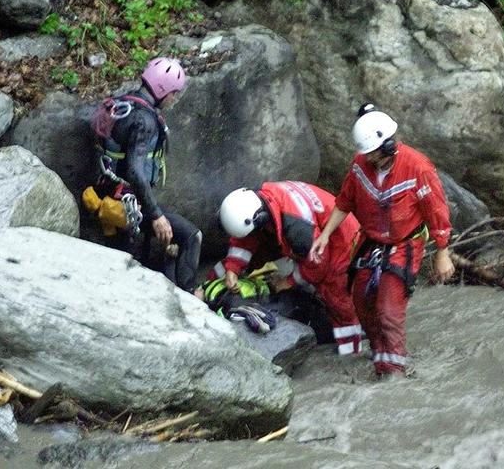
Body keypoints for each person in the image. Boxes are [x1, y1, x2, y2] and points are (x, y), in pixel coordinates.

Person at [310, 103, 454, 378]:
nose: (372, 160)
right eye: (368, 155)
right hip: (372, 241)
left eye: (376, 154)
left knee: (388, 308)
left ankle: (394, 371)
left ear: (389, 145)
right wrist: (325, 235)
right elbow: (345, 202)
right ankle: (382, 357)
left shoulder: (417, 168)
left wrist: (442, 252)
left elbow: (436, 211)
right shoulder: (360, 165)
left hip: (405, 244)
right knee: (362, 301)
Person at [211, 181, 363, 355]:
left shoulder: (296, 228)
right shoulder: (257, 203)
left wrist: (287, 282)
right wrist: (233, 268)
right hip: (316, 231)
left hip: (342, 241)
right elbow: (244, 239)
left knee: (338, 298)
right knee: (258, 253)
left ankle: (351, 350)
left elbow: (318, 265)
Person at [92, 57, 201, 293]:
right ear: (162, 90)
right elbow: (134, 170)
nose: (174, 99)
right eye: (174, 93)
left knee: (134, 262)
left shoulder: (120, 104)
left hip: (108, 200)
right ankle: (191, 302)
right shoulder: (145, 120)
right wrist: (156, 215)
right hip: (131, 208)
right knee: (191, 236)